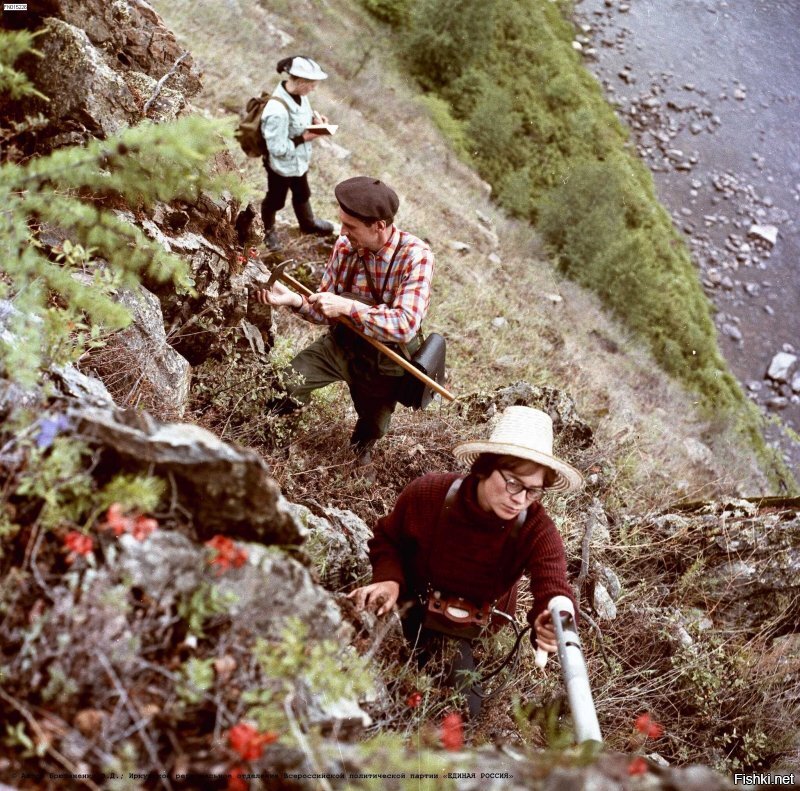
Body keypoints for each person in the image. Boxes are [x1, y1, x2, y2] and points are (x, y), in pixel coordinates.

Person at [347, 406, 583, 717]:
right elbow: (387, 539)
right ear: (486, 467)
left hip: (464, 629)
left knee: (460, 713)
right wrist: (388, 579)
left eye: (533, 491)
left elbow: (554, 584)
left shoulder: (536, 527)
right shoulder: (430, 492)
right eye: (513, 482)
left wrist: (554, 622)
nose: (519, 498)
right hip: (405, 602)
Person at [255, 176, 435, 475]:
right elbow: (324, 309)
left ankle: (360, 451)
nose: (342, 232)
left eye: (350, 226)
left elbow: (404, 324)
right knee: (286, 384)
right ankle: (263, 437)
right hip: (342, 343)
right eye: (342, 223)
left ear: (379, 225)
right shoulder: (345, 246)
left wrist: (348, 306)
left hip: (386, 359)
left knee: (374, 427)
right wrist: (294, 301)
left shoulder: (416, 257)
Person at [260, 55, 334, 250]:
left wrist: (316, 122)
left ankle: (308, 224)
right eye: (312, 84)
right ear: (300, 81)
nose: (314, 89)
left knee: (302, 193)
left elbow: (300, 117)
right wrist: (306, 138)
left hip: (298, 161)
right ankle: (267, 231)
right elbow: (276, 149)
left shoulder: (301, 96)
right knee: (275, 200)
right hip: (280, 167)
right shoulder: (277, 110)